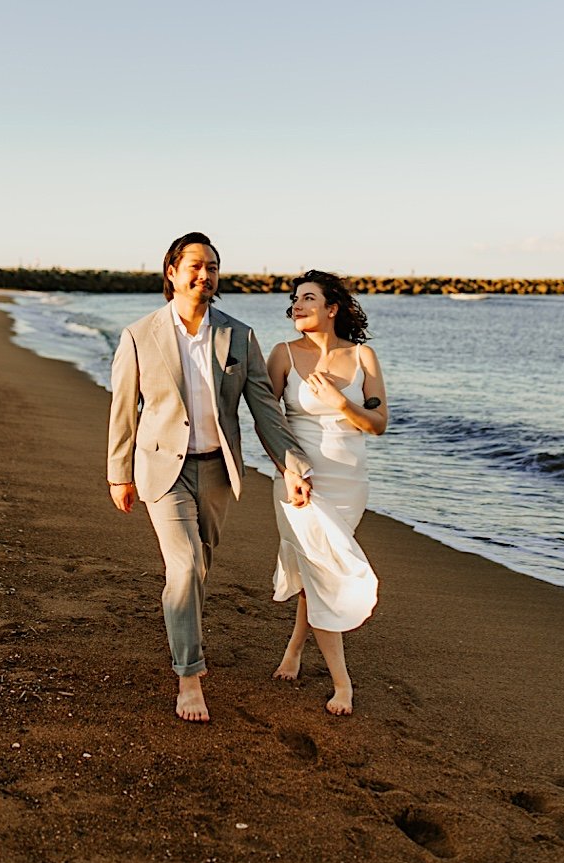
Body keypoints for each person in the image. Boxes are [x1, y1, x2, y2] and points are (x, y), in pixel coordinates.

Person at [107, 232, 314, 723]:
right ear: (172, 272)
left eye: (214, 268)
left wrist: (291, 464)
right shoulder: (140, 335)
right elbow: (123, 410)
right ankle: (189, 676)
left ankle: (186, 638)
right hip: (162, 469)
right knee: (182, 567)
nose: (205, 275)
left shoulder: (238, 336)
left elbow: (264, 409)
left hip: (218, 473)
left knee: (198, 566)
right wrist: (119, 473)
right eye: (196, 266)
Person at [267, 271, 388, 716]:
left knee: (318, 572)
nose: (297, 306)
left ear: (332, 308)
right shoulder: (282, 355)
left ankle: (295, 651)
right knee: (323, 572)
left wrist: (341, 404)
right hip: (300, 480)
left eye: (308, 299)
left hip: (349, 483)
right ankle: (342, 682)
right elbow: (268, 419)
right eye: (295, 300)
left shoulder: (363, 358)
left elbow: (378, 425)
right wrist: (287, 467)